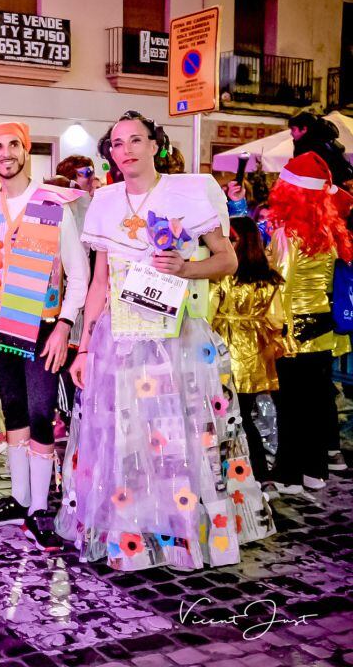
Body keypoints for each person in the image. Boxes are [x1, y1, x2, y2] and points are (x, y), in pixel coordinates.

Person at [57, 110, 273, 571]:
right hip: (121, 338)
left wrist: (186, 268)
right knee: (126, 435)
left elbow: (227, 260)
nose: (128, 149)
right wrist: (85, 345)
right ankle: (134, 530)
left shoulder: (189, 192)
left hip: (176, 337)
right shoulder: (105, 201)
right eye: (117, 143)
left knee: (181, 435)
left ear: (155, 145)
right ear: (110, 154)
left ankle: (185, 532)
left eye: (137, 140)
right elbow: (99, 284)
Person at [0, 122, 89, 550]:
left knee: (41, 416)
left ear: (27, 149)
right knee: (13, 412)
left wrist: (65, 326)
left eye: (13, 145)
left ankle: (40, 508)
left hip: (42, 327)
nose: (5, 153)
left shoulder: (53, 203)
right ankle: (19, 500)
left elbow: (80, 271)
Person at [267, 152, 353, 493]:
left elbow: (280, 288)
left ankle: (289, 474)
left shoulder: (287, 234)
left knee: (291, 404)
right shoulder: (330, 233)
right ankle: (315, 471)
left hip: (293, 329)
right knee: (318, 401)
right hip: (323, 328)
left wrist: (276, 331)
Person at [211, 216, 284, 488]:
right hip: (256, 357)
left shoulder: (223, 277)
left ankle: (244, 477)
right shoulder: (269, 279)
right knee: (245, 418)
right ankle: (261, 477)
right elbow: (277, 320)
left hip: (225, 354)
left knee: (231, 418)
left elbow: (207, 315)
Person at [289, 111, 353, 188]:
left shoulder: (311, 147)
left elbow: (310, 177)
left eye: (293, 129)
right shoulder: (324, 140)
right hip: (335, 188)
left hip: (328, 191)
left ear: (304, 129)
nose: (291, 133)